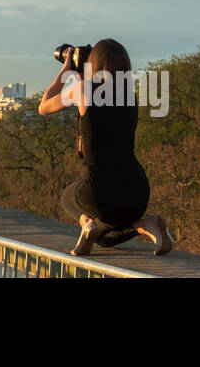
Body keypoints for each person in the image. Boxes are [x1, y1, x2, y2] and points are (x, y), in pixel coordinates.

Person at [38, 38, 174, 256]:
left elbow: (44, 107)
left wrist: (67, 70)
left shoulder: (83, 89)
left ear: (94, 62)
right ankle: (148, 224)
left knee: (68, 197)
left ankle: (87, 224)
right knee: (112, 230)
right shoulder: (130, 94)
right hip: (137, 191)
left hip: (99, 192)